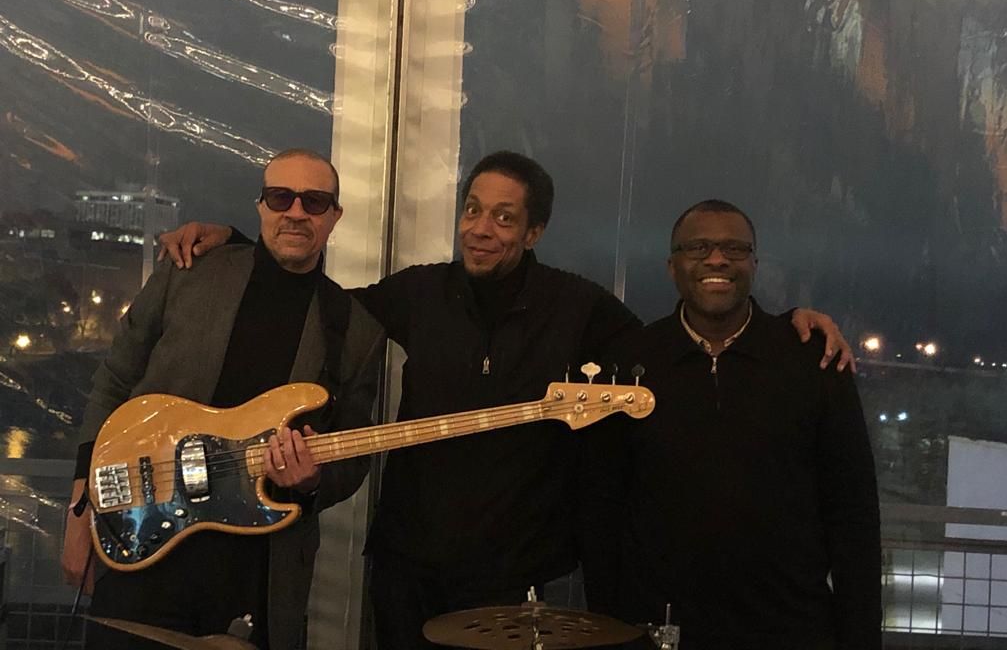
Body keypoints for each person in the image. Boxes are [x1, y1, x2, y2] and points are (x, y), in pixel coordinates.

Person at [158, 151, 855, 650]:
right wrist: (239, 244)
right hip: (406, 571)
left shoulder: (577, 307)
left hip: (521, 586)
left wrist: (782, 325)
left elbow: (666, 349)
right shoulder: (419, 293)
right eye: (472, 210)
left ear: (533, 231)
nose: (480, 228)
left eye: (501, 216)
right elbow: (314, 302)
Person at [60, 149, 386, 650]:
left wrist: (312, 480)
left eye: (315, 201)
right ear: (261, 206)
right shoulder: (189, 270)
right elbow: (114, 381)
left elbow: (353, 457)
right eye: (281, 197)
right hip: (140, 544)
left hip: (255, 571)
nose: (296, 212)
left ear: (335, 215)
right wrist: (81, 510)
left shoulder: (355, 331)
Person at [607, 199, 880, 650]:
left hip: (793, 630)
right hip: (659, 632)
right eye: (698, 247)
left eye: (735, 248)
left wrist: (861, 638)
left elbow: (853, 514)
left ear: (755, 265)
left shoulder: (813, 361)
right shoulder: (630, 363)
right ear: (672, 266)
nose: (717, 259)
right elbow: (604, 507)